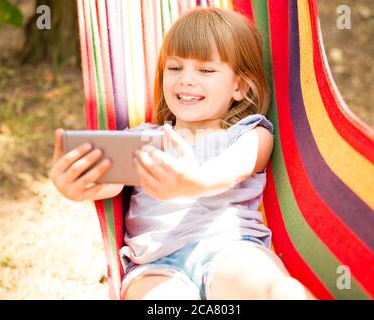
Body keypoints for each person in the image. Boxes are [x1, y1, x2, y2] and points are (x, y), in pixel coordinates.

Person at [49, 7, 314, 300]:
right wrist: (75, 186)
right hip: (155, 266)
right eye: (175, 68)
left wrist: (192, 182)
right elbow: (106, 183)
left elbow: (234, 167)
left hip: (231, 250)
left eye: (206, 70)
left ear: (239, 86)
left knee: (281, 292)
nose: (186, 79)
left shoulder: (248, 133)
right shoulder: (144, 139)